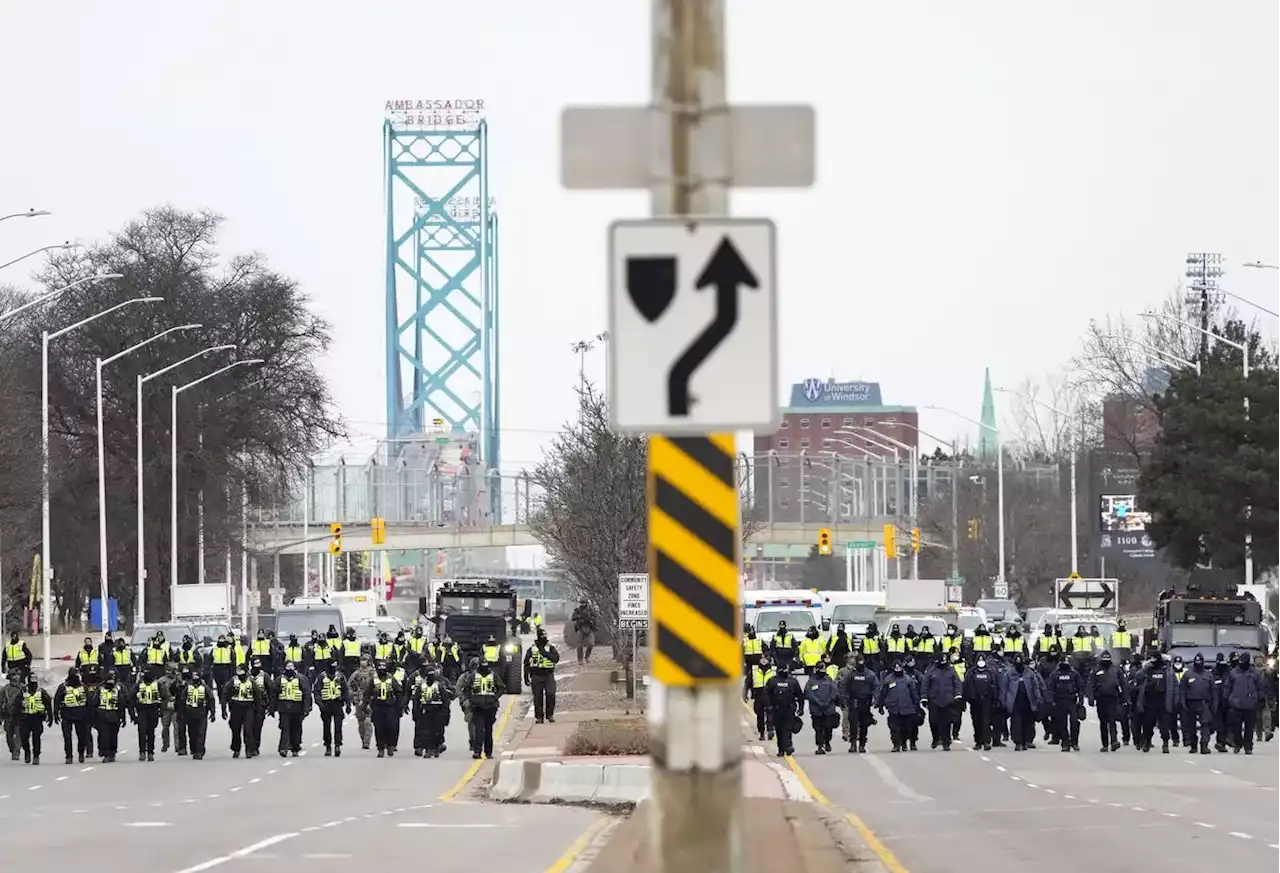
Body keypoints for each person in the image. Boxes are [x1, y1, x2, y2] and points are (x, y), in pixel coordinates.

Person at [875, 661, 921, 753]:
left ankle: (904, 743)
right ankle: (896, 744)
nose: (897, 669)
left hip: (907, 707)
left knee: (906, 728)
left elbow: (914, 693)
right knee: (894, 727)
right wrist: (880, 705)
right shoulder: (888, 680)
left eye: (899, 667)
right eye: (895, 668)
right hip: (893, 707)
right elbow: (883, 693)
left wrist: (917, 706)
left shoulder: (908, 680)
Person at [463, 658, 505, 759]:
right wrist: (472, 699)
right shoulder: (473, 676)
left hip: (490, 707)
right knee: (479, 730)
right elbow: (466, 689)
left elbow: (502, 687)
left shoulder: (493, 675)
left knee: (488, 731)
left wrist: (495, 697)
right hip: (477, 707)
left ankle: (488, 752)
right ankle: (477, 751)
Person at [1001, 655, 1045, 751]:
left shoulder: (1029, 673)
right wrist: (1003, 702)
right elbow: (1004, 688)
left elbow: (1035, 686)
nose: (1018, 663)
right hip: (1015, 702)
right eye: (1016, 661)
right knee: (1016, 722)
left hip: (1028, 701)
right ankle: (1018, 742)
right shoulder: (1009, 673)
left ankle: (1026, 741)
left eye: (1020, 661)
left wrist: (1038, 699)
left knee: (1028, 723)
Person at [1136, 652, 1177, 753]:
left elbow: (1175, 687)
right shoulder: (1148, 670)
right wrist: (1145, 667)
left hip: (1163, 700)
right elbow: (1138, 677)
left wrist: (1175, 701)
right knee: (1148, 724)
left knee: (1165, 725)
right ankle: (1147, 742)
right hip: (1151, 700)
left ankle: (1165, 744)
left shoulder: (1168, 671)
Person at [1224, 653, 1265, 754]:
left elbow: (1260, 687)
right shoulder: (1233, 673)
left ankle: (1248, 746)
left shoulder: (1255, 673)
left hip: (1251, 704)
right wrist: (1226, 699)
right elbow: (1227, 687)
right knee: (1236, 727)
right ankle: (1238, 744)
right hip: (1236, 704)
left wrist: (1260, 699)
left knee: (1249, 728)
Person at [412, 664, 454, 757]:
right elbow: (416, 700)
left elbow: (445, 701)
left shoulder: (439, 686)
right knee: (426, 731)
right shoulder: (421, 686)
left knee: (437, 730)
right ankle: (428, 750)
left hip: (437, 711)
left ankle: (436, 748)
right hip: (425, 711)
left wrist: (445, 713)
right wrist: (416, 712)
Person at [1178, 653, 1215, 755]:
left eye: (1200, 661)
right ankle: (1193, 745)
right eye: (1196, 661)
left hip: (1204, 703)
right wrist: (1182, 702)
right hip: (1191, 702)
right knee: (1191, 726)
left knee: (1205, 724)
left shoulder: (1208, 675)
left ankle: (1204, 745)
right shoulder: (1188, 674)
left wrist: (1214, 704)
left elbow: (1213, 691)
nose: (1198, 663)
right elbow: (1182, 690)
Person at [922, 654, 962, 750]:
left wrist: (958, 695)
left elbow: (957, 683)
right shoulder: (931, 670)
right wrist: (924, 697)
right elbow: (925, 684)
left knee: (946, 723)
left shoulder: (951, 670)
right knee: (933, 721)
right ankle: (935, 738)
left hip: (947, 701)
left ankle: (946, 742)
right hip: (934, 700)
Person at [763, 663, 804, 757]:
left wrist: (801, 708)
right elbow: (765, 694)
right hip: (776, 709)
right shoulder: (772, 681)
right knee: (779, 730)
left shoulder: (793, 681)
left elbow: (800, 696)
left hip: (789, 709)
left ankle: (788, 746)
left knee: (787, 729)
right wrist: (768, 706)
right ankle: (781, 749)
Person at [841, 653, 879, 753]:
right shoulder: (851, 674)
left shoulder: (870, 674)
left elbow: (876, 687)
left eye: (862, 661)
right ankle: (853, 744)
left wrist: (876, 699)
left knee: (864, 724)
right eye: (858, 661)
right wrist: (845, 698)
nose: (860, 663)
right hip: (853, 702)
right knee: (853, 724)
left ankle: (862, 744)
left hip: (865, 702)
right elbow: (845, 687)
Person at [313, 660, 351, 757]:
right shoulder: (321, 677)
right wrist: (320, 704)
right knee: (327, 727)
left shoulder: (340, 676)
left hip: (337, 703)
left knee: (338, 726)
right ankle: (328, 746)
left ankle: (337, 745)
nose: (333, 668)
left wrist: (348, 704)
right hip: (326, 704)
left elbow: (345, 690)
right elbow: (317, 691)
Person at [273, 660, 311, 757]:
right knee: (285, 728)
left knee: (295, 728)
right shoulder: (279, 680)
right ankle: (283, 748)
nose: (290, 668)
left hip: (297, 707)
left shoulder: (301, 679)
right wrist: (272, 707)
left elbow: (307, 694)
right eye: (288, 666)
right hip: (284, 707)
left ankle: (295, 748)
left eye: (292, 666)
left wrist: (307, 708)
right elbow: (274, 694)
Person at [222, 665, 262, 758]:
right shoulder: (233, 681)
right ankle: (236, 749)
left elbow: (257, 696)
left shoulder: (251, 681)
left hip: (249, 707)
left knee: (248, 730)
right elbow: (225, 693)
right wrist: (224, 708)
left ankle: (249, 749)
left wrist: (259, 710)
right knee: (235, 729)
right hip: (236, 707)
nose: (239, 673)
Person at [367, 661, 403, 757]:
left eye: (383, 669)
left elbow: (399, 692)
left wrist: (400, 706)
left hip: (390, 706)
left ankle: (391, 745)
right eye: (380, 669)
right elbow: (367, 693)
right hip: (377, 706)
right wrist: (365, 706)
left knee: (392, 727)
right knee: (379, 728)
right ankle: (380, 748)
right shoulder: (373, 680)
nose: (381, 671)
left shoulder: (391, 679)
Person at [523, 627, 560, 724]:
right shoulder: (532, 648)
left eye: (545, 635)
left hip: (548, 674)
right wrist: (526, 675)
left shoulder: (550, 647)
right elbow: (526, 662)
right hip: (536, 675)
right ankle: (539, 717)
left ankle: (550, 714)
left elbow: (556, 658)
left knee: (551, 694)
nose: (544, 637)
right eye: (542, 636)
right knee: (537, 697)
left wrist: (545, 653)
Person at [962, 653, 998, 751]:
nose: (981, 661)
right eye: (979, 659)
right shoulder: (971, 672)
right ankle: (978, 741)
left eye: (983, 659)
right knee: (976, 722)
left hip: (987, 700)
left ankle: (986, 741)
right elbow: (966, 686)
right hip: (975, 701)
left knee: (986, 722)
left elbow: (995, 685)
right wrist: (966, 699)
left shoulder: (990, 671)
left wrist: (995, 698)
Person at [1048, 657, 1083, 752]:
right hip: (1059, 701)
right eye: (1063, 661)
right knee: (1062, 724)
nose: (1065, 663)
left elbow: (1080, 686)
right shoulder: (1055, 674)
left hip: (1072, 701)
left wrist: (1081, 699)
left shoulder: (1074, 673)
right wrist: (1051, 701)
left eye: (1066, 661)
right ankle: (1065, 743)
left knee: (1075, 723)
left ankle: (1074, 742)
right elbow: (1051, 688)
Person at [803, 662, 839, 753]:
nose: (823, 671)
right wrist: (818, 702)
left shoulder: (829, 679)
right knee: (818, 728)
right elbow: (809, 693)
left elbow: (834, 692)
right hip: (816, 709)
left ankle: (827, 741)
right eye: (821, 669)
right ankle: (820, 745)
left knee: (828, 727)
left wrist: (827, 702)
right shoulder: (811, 681)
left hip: (828, 708)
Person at [181, 665, 215, 760]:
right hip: (190, 712)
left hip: (202, 713)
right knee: (192, 733)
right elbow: (182, 700)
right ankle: (194, 749)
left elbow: (211, 699)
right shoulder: (188, 688)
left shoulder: (205, 688)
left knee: (201, 733)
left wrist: (212, 712)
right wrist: (182, 713)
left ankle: (200, 751)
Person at [92, 671, 127, 763]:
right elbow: (94, 704)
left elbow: (121, 705)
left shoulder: (117, 691)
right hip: (102, 716)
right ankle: (106, 754)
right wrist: (94, 717)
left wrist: (123, 718)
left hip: (114, 716)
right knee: (104, 736)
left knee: (113, 736)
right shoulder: (100, 691)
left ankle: (113, 752)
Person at [18, 674, 53, 764]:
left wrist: (50, 717)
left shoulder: (41, 692)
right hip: (25, 718)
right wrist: (15, 719)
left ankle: (36, 756)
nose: (33, 683)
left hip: (37, 718)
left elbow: (48, 704)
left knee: (36, 737)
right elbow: (17, 705)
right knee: (24, 737)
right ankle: (27, 752)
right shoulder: (23, 691)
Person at [131, 667, 163, 762]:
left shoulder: (157, 685)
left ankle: (150, 752)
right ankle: (142, 752)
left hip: (153, 709)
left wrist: (161, 710)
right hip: (142, 710)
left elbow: (164, 697)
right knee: (142, 731)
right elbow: (131, 698)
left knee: (151, 732)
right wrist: (133, 714)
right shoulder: (138, 686)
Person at [349, 654, 376, 750]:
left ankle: (367, 742)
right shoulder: (356, 673)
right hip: (359, 700)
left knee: (368, 722)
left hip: (369, 700)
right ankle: (363, 739)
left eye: (365, 660)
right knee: (361, 723)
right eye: (362, 660)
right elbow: (349, 686)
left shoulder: (373, 673)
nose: (363, 662)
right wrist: (353, 696)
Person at [747, 653, 776, 741]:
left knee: (771, 712)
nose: (763, 660)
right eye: (762, 658)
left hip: (771, 694)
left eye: (766, 658)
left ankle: (770, 729)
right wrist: (744, 693)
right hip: (758, 694)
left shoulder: (774, 670)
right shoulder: (754, 670)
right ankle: (762, 733)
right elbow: (748, 682)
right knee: (759, 714)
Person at [2, 669, 22, 760]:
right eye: (13, 675)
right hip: (8, 716)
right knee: (9, 736)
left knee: (18, 735)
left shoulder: (24, 688)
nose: (16, 677)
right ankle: (12, 749)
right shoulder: (5, 689)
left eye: (17, 675)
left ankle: (16, 752)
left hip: (19, 716)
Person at [571, 599, 597, 663]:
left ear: (586, 603)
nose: (582, 604)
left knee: (591, 644)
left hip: (589, 628)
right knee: (579, 645)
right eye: (581, 603)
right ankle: (580, 660)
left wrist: (590, 619)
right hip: (580, 628)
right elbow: (573, 618)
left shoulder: (590, 610)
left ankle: (587, 657)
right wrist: (579, 617)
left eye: (584, 603)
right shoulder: (577, 610)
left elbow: (595, 616)